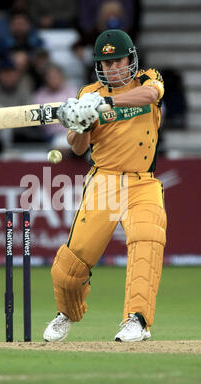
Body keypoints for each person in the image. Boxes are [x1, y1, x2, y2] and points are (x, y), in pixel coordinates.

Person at [43, 29, 167, 342]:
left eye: (117, 60)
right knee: (71, 266)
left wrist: (104, 103)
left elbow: (151, 96)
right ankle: (67, 313)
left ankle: (137, 320)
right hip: (104, 182)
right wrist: (81, 122)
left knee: (147, 239)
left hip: (143, 181)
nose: (112, 68)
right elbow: (79, 147)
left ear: (130, 59)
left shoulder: (148, 79)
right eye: (106, 63)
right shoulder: (88, 92)